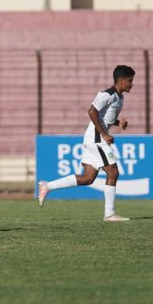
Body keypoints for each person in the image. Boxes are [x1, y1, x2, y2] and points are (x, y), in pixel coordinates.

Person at [38, 65, 135, 222]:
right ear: (121, 80)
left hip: (94, 138)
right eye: (130, 81)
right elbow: (91, 111)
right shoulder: (107, 94)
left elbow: (105, 117)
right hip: (97, 139)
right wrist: (104, 134)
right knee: (113, 172)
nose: (132, 84)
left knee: (88, 178)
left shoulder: (119, 97)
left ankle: (47, 186)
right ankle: (109, 214)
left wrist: (118, 123)